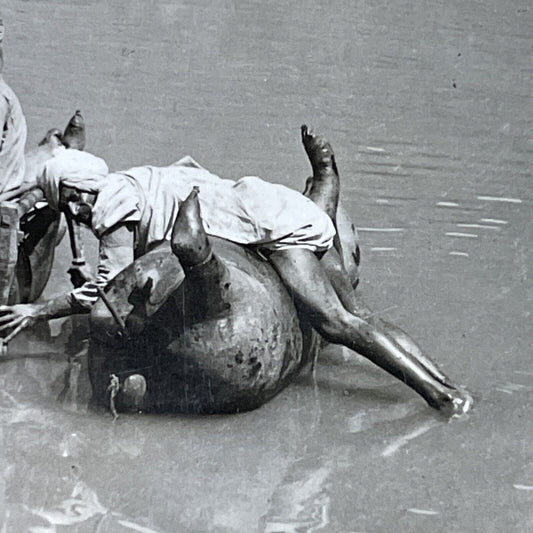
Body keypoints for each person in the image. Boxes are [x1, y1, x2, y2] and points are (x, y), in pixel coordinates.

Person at [0, 127, 472, 416]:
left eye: (71, 207)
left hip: (272, 227)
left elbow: (109, 295)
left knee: (337, 324)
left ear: (77, 197)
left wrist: (40, 311)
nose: (78, 217)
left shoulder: (110, 207)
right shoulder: (138, 178)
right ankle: (446, 385)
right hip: (275, 206)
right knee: (361, 315)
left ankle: (438, 397)